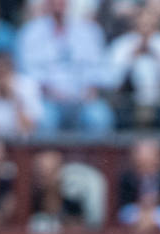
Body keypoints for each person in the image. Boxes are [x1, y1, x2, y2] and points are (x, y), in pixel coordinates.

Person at [15, 0, 112, 135]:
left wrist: (89, 90)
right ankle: (49, 156)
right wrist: (50, 92)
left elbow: (99, 68)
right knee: (45, 119)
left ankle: (93, 157)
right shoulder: (30, 32)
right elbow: (28, 72)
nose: (58, 3)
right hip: (47, 99)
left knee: (99, 117)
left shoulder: (89, 30)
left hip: (83, 99)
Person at [106, 3, 160, 130]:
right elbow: (111, 84)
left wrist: (159, 62)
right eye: (141, 25)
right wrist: (131, 60)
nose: (145, 29)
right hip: (127, 104)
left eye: (150, 25)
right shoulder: (121, 45)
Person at [115, 135, 160, 232]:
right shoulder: (127, 177)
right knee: (128, 214)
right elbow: (124, 204)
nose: (145, 161)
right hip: (136, 211)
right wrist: (141, 205)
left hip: (159, 212)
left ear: (157, 158)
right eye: (141, 157)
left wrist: (156, 202)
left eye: (149, 157)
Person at [27, 147, 87, 234]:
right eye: (41, 173)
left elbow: (81, 228)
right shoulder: (27, 201)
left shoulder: (71, 199)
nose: (47, 178)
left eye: (52, 172)